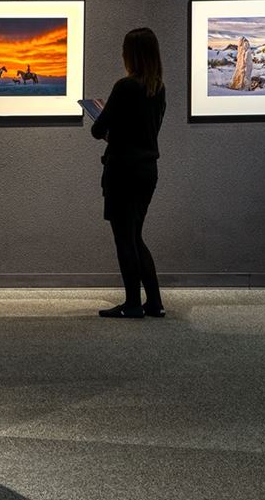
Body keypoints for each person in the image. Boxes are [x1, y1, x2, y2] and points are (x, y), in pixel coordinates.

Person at [90, 27, 167, 319]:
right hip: (147, 171)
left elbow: (99, 130)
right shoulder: (158, 88)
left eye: (124, 50)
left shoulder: (124, 87)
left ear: (132, 54)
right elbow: (146, 132)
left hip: (122, 170)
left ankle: (133, 303)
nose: (122, 54)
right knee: (136, 235)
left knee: (125, 237)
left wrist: (101, 117)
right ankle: (155, 302)